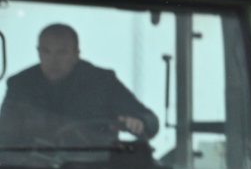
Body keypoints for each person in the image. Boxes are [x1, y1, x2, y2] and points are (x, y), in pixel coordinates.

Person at [0, 24, 159, 147]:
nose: (53, 61)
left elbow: (150, 121)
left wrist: (140, 122)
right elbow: (4, 139)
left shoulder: (102, 83)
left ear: (76, 54)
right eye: (46, 51)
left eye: (62, 52)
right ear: (38, 52)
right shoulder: (20, 86)